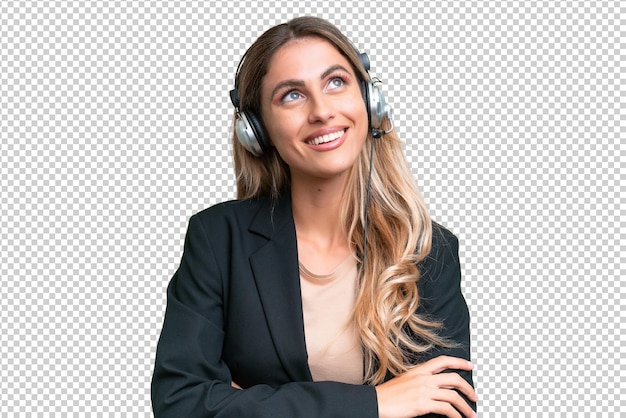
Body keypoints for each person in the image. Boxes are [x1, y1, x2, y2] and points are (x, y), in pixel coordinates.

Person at [151, 16, 477, 418]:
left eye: (336, 82)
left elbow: (447, 405)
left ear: (369, 101)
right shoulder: (218, 240)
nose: (321, 111)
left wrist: (247, 400)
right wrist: (376, 403)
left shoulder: (428, 249)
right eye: (291, 95)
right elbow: (181, 404)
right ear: (257, 130)